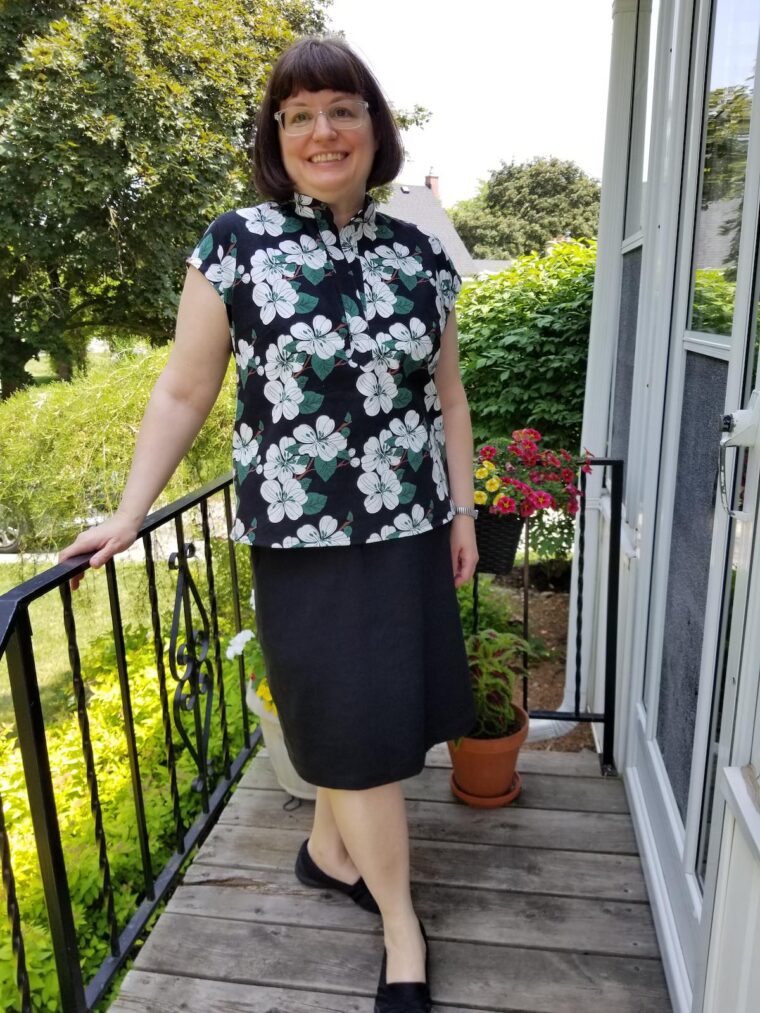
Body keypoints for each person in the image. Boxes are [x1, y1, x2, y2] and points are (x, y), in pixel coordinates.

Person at [60, 35, 478, 1012]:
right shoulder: (236, 244)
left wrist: (460, 508)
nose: (322, 130)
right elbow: (182, 389)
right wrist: (130, 512)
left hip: (411, 525)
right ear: (276, 137)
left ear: (374, 127)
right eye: (298, 115)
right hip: (305, 542)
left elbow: (449, 397)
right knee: (356, 726)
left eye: (341, 108)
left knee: (377, 719)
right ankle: (402, 929)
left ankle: (329, 853)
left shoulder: (421, 247)